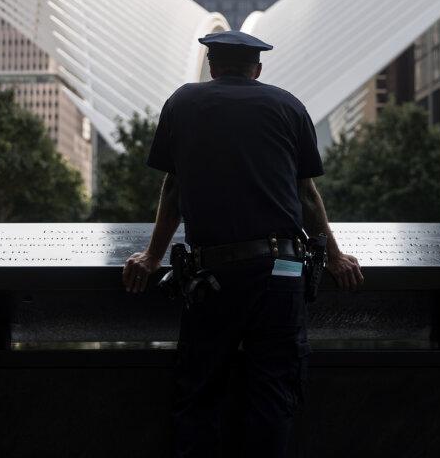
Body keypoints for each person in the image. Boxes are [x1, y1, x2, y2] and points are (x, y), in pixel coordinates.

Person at [121, 29, 363, 458]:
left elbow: (173, 189)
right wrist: (337, 256)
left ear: (212, 67)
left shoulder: (183, 103)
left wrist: (152, 256)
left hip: (212, 275)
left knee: (199, 395)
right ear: (257, 69)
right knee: (273, 396)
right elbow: (306, 195)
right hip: (281, 272)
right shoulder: (288, 105)